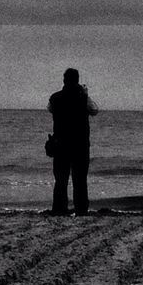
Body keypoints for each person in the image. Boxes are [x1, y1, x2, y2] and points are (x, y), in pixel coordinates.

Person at [47, 67, 98, 216]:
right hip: (80, 144)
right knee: (80, 180)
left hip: (60, 143)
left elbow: (50, 109)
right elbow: (94, 110)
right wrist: (85, 94)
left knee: (61, 180)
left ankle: (59, 209)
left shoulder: (55, 97)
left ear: (64, 80)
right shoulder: (82, 97)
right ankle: (81, 210)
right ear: (77, 80)